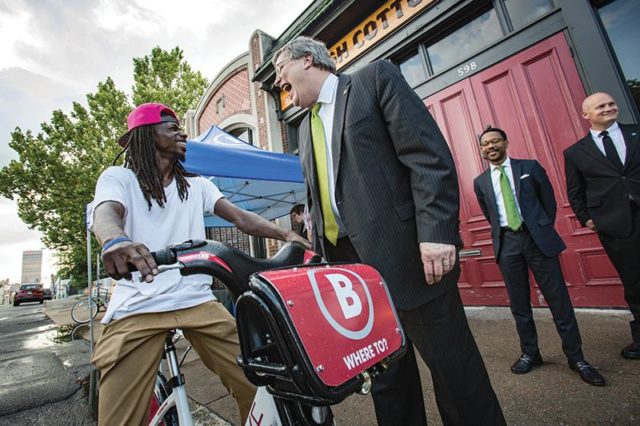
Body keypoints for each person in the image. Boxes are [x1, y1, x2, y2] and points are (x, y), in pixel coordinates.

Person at [273, 36, 505, 425]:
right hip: (351, 273)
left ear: (309, 60)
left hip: (410, 257)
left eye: (281, 67)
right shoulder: (302, 129)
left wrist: (436, 232)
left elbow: (427, 157)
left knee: (453, 369)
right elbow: (319, 201)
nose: (279, 78)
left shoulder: (372, 80)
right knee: (386, 376)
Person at [89, 102, 310, 425]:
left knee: (260, 381)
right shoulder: (119, 178)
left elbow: (242, 218)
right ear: (147, 135)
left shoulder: (197, 185)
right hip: (138, 307)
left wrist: (287, 235)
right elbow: (107, 212)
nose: (182, 133)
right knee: (118, 416)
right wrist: (116, 241)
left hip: (196, 300)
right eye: (171, 128)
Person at [473, 127, 605, 386]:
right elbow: (490, 214)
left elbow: (549, 202)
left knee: (559, 301)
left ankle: (576, 357)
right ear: (481, 150)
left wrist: (539, 226)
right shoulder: (480, 182)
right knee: (519, 305)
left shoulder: (529, 168)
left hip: (536, 240)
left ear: (506, 143)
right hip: (507, 244)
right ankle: (530, 353)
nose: (490, 146)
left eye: (495, 141)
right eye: (485, 144)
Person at [564, 92, 640, 360]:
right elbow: (575, 191)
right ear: (586, 115)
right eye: (601, 106)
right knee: (634, 283)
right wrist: (585, 217)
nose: (608, 108)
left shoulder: (635, 132)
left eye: (611, 104)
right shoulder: (575, 152)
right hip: (616, 225)